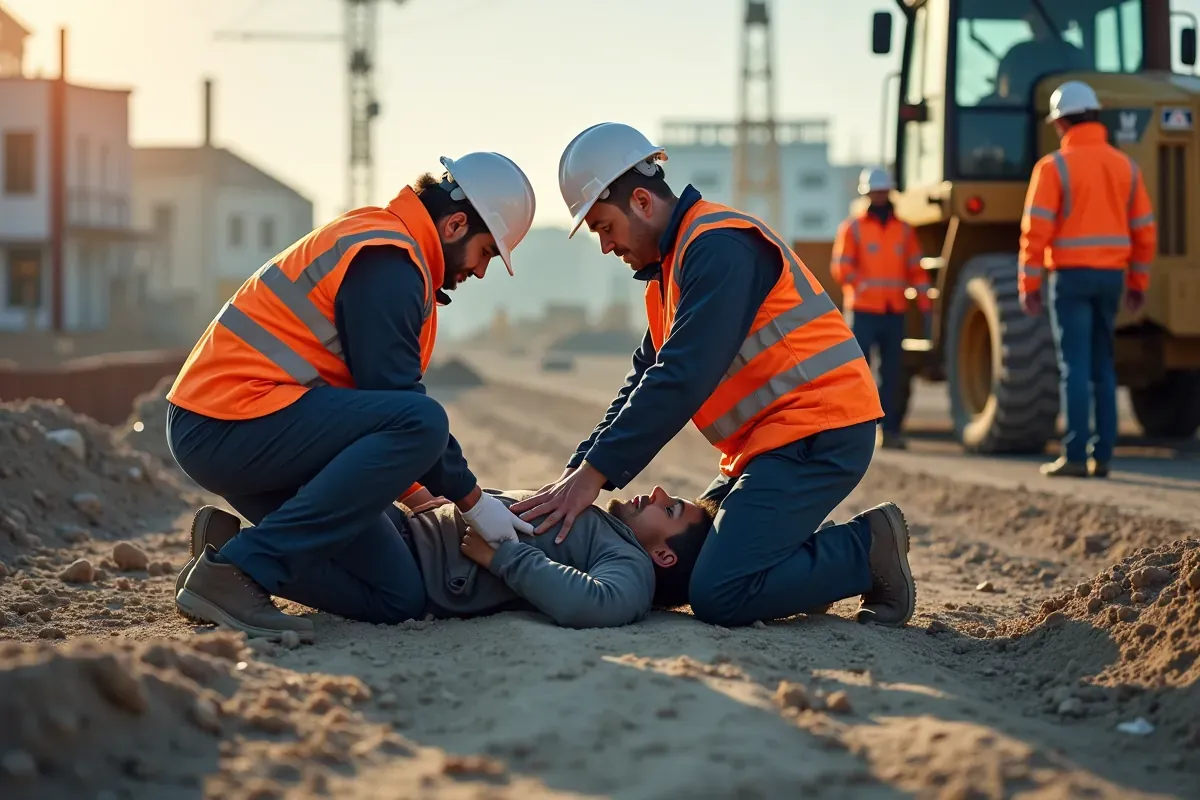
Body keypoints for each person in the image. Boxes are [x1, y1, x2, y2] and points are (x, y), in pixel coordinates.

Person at [510, 122, 918, 629]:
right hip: (771, 445)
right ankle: (795, 571)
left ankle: (868, 548)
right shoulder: (672, 273)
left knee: (720, 593)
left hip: (817, 432)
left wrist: (593, 476)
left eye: (604, 227)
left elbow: (681, 376)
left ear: (641, 202)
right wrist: (575, 475)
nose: (605, 246)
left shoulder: (720, 247)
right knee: (685, 562)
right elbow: (642, 381)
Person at [167, 152, 539, 641]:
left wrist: (417, 496)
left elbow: (370, 411)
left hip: (266, 434)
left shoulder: (394, 257)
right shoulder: (386, 258)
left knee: (397, 596)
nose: (482, 271)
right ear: (455, 225)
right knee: (424, 420)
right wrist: (472, 501)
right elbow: (398, 405)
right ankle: (241, 571)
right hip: (226, 423)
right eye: (487, 252)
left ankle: (221, 557)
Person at [1019, 81, 1156, 479]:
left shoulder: (1053, 168)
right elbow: (1145, 232)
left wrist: (1029, 285)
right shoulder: (1126, 166)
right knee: (1103, 366)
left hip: (1071, 278)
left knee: (1074, 367)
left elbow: (1035, 234)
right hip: (1112, 278)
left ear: (1061, 123)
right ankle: (1104, 455)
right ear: (1095, 115)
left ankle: (1076, 455)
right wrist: (1138, 283)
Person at [831, 166, 930, 450]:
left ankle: (891, 431)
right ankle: (854, 432)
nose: (879, 196)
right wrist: (860, 285)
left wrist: (925, 300)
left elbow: (916, 268)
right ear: (867, 194)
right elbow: (841, 267)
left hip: (893, 312)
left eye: (883, 191)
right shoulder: (853, 228)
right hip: (863, 312)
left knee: (893, 375)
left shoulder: (904, 230)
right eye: (875, 192)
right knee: (858, 374)